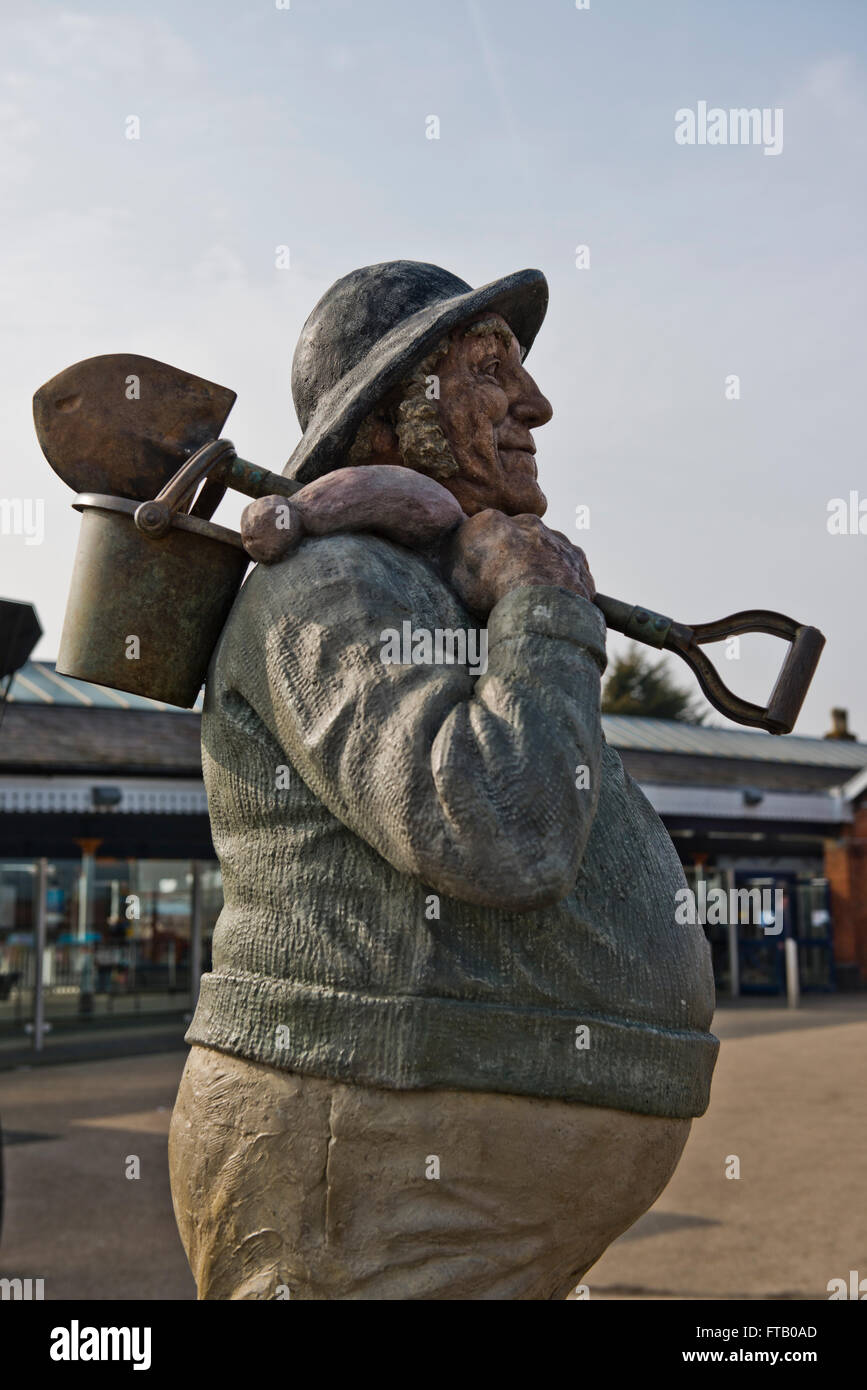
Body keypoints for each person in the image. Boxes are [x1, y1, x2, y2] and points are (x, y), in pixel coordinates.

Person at [169, 261, 718, 1300]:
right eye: (487, 369)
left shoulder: (430, 591)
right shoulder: (332, 582)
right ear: (394, 411)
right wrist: (544, 608)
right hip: (360, 1170)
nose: (535, 402)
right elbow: (504, 830)